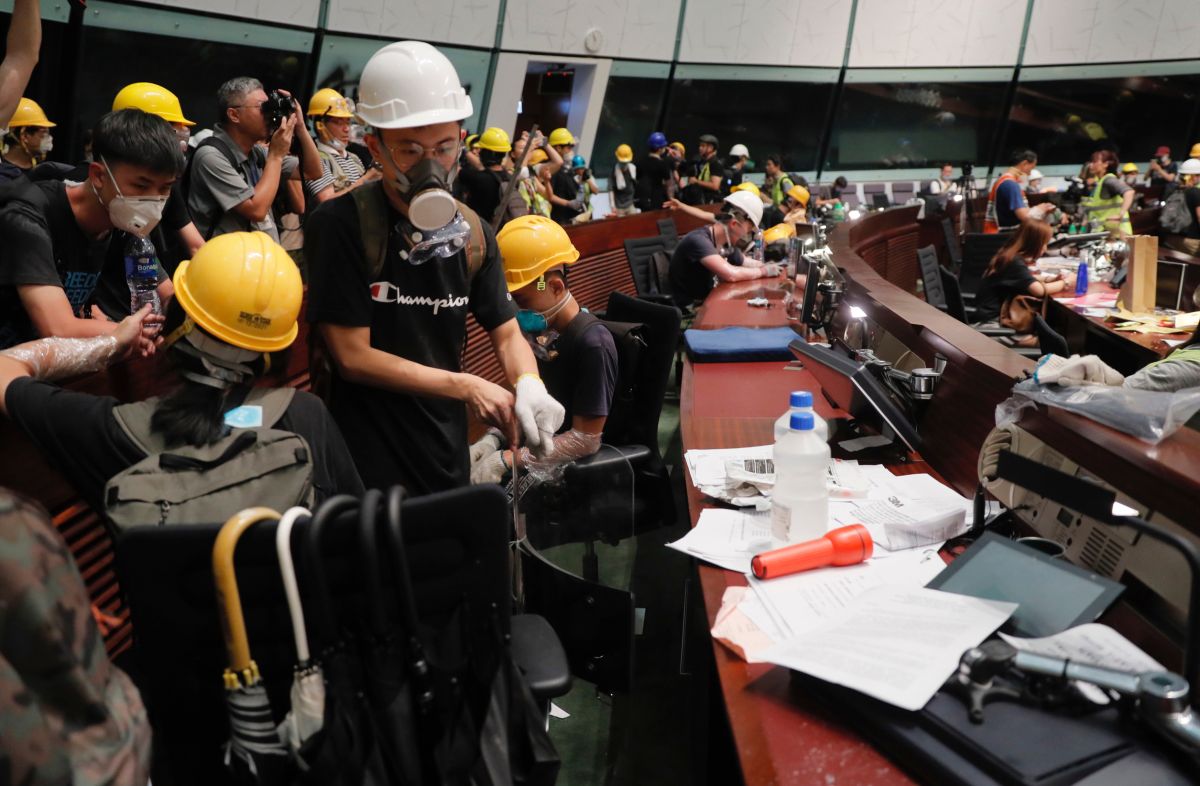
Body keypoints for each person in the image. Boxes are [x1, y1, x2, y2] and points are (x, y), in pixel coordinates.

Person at [304, 40, 563, 496]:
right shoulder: (340, 225)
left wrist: (529, 383)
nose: (431, 166)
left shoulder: (475, 233)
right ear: (374, 147)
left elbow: (504, 330)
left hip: (442, 446)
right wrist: (466, 386)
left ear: (462, 142)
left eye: (443, 148)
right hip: (360, 453)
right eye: (409, 150)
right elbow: (352, 356)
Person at [0, 231, 364, 515]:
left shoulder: (113, 431)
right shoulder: (305, 415)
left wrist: (109, 340)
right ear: (273, 353)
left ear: (177, 327)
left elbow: (5, 368)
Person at [0, 109, 179, 350]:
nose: (153, 199)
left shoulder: (125, 224)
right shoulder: (29, 215)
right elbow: (58, 328)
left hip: (57, 363)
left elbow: (165, 291)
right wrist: (131, 331)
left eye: (165, 188)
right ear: (98, 176)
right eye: (141, 185)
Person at [470, 215, 617, 483]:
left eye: (521, 300)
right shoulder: (543, 336)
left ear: (555, 287)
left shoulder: (593, 344)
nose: (515, 311)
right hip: (543, 459)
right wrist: (494, 438)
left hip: (578, 479)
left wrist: (505, 460)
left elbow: (586, 440)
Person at [186, 76, 328, 241]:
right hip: (224, 262)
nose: (269, 114)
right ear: (234, 115)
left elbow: (314, 171)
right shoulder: (211, 156)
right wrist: (275, 156)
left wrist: (300, 126)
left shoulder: (256, 153)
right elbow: (256, 210)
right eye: (263, 108)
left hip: (257, 259)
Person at [667, 190, 781, 307]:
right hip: (690, 312)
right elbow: (730, 274)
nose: (746, 235)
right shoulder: (698, 241)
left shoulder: (726, 243)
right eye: (748, 230)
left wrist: (768, 266)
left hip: (709, 303)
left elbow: (745, 262)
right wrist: (763, 271)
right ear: (734, 224)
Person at [974, 220, 1074, 330]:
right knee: (1056, 340)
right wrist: (1067, 281)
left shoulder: (1008, 255)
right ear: (1034, 243)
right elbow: (1039, 290)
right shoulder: (1014, 262)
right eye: (1044, 243)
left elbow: (1024, 279)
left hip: (993, 317)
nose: (1045, 248)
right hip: (993, 324)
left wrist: (1050, 279)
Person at [306, 87, 376, 198]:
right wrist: (367, 178)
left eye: (347, 122)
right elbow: (326, 200)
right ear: (321, 126)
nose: (346, 129)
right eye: (339, 123)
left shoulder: (354, 158)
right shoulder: (315, 160)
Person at [458, 126, 528, 226]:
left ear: (487, 153)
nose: (479, 152)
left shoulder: (476, 178)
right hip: (496, 233)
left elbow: (456, 170)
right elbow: (479, 166)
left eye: (481, 150)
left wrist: (460, 147)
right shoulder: (510, 179)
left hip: (476, 230)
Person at [984, 149, 1054, 233]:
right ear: (1024, 164)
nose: (1029, 174)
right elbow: (1025, 216)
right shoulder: (1010, 184)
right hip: (1003, 236)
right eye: (1031, 169)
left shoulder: (1002, 181)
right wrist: (1041, 209)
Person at [1081, 149, 1134, 236]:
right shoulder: (1100, 182)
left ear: (1106, 164)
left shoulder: (1109, 180)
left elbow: (1129, 192)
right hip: (1106, 234)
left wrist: (1120, 215)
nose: (1091, 165)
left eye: (1095, 162)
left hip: (1117, 235)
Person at [1, 97, 54, 180]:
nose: (49, 139)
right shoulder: (4, 177)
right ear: (25, 136)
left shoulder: (40, 172)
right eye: (44, 133)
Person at [546, 127, 585, 225]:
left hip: (571, 216)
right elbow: (548, 194)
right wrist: (568, 204)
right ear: (558, 148)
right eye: (568, 148)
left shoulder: (568, 167)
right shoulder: (550, 168)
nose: (571, 151)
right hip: (558, 219)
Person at [1163, 157, 1200, 256]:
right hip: (1191, 242)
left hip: (1171, 239)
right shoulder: (1195, 192)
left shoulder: (1171, 191)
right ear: (1194, 176)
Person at [635, 131, 672, 212]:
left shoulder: (639, 161)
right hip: (656, 200)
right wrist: (671, 200)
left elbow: (637, 179)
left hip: (642, 198)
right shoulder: (663, 164)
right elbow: (669, 185)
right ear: (660, 149)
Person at [689, 133, 725, 204]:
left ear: (711, 148)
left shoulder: (715, 164)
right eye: (700, 146)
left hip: (708, 201)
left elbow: (715, 186)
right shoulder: (702, 162)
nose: (700, 148)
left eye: (703, 146)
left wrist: (696, 181)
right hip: (700, 198)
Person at [610, 143, 638, 217]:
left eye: (626, 162)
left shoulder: (633, 169)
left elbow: (635, 184)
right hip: (619, 207)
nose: (624, 164)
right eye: (622, 162)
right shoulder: (614, 171)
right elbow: (611, 189)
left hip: (630, 204)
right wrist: (613, 206)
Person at [570, 154, 599, 223]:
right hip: (577, 210)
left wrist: (587, 180)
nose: (581, 171)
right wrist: (580, 181)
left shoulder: (589, 177)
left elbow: (596, 191)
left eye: (582, 168)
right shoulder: (574, 179)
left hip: (588, 209)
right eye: (578, 169)